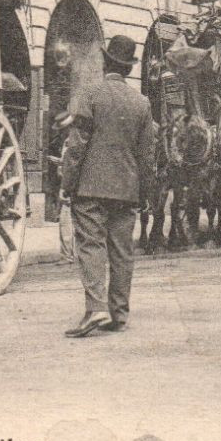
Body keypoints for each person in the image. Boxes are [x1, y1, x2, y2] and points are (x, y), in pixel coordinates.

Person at [57, 33, 158, 338]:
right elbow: (147, 155)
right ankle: (119, 313)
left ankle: (96, 308)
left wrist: (67, 183)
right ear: (128, 68)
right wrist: (145, 194)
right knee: (122, 251)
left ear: (105, 62)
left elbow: (77, 146)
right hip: (127, 189)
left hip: (90, 186)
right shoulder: (142, 103)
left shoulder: (90, 95)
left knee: (91, 245)